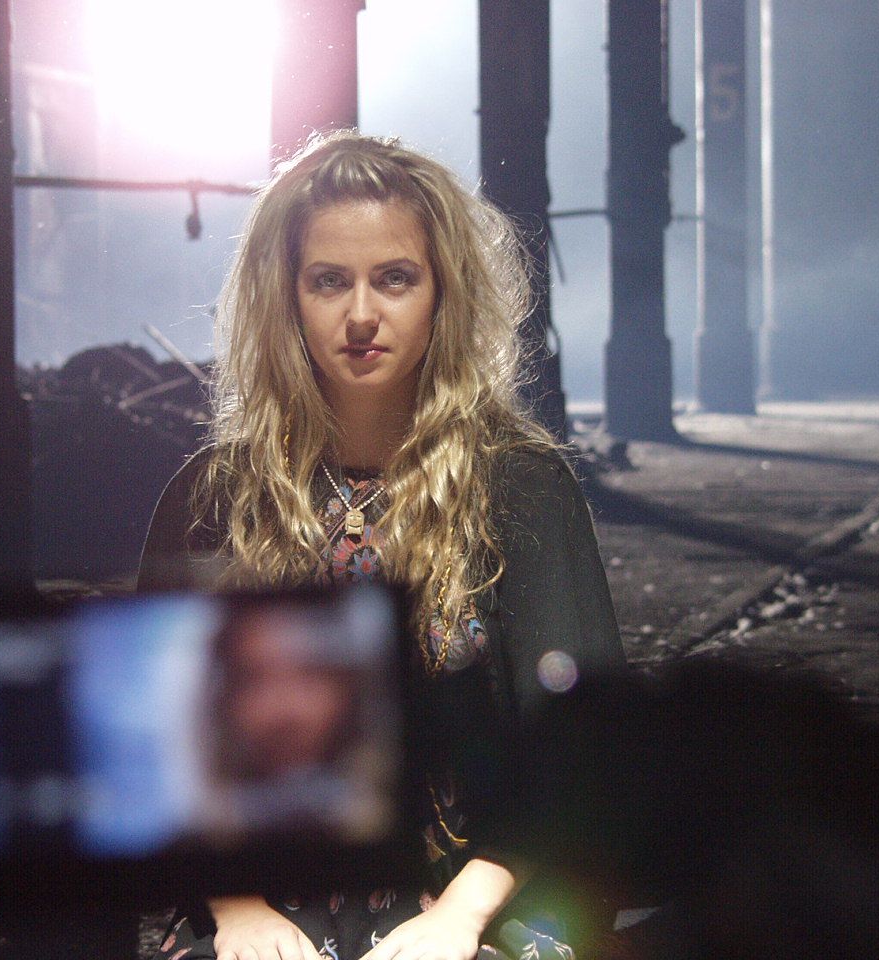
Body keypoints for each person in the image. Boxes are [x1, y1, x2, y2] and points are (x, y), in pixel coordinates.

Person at [137, 131, 627, 960]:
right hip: (258, 905)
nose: (361, 314)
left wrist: (459, 919)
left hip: (479, 904)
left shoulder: (520, 485)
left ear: (443, 293)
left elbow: (581, 752)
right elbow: (158, 746)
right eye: (329, 281)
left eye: (395, 278)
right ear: (286, 296)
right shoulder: (212, 496)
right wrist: (240, 908)